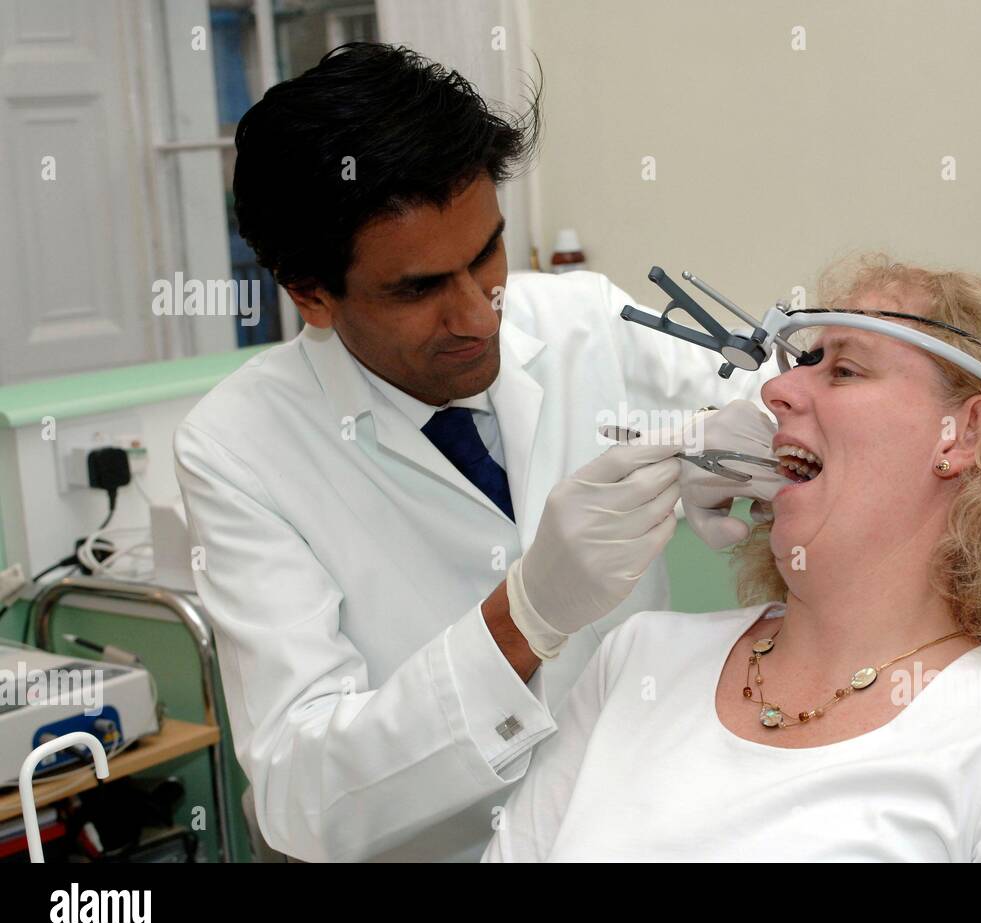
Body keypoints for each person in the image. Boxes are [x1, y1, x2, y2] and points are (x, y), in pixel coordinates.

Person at [173, 42, 774, 862]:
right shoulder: (240, 448)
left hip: (648, 823)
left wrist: (765, 439)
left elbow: (780, 392)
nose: (481, 315)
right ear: (310, 293)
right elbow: (300, 794)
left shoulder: (583, 321)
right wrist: (520, 620)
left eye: (487, 254)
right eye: (418, 289)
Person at [482, 254, 981, 862]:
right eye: (803, 363)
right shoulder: (638, 657)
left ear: (965, 434)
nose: (776, 393)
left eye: (845, 369)